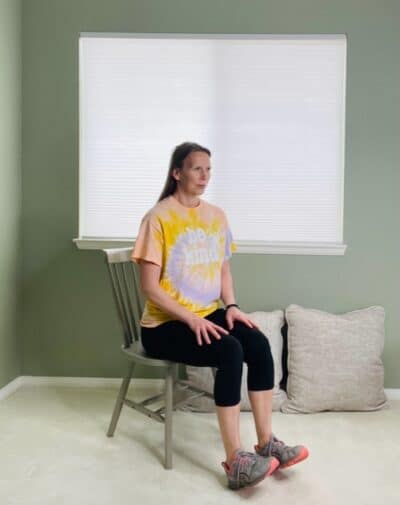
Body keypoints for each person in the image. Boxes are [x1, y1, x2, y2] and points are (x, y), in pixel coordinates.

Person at [132, 141, 309, 490]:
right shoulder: (158, 218)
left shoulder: (216, 216)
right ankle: (235, 461)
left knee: (257, 343)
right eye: (197, 168)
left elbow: (223, 272)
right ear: (177, 173)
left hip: (209, 312)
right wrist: (191, 318)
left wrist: (231, 308)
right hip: (164, 324)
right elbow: (151, 288)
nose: (204, 175)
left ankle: (266, 442)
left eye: (209, 169)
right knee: (230, 351)